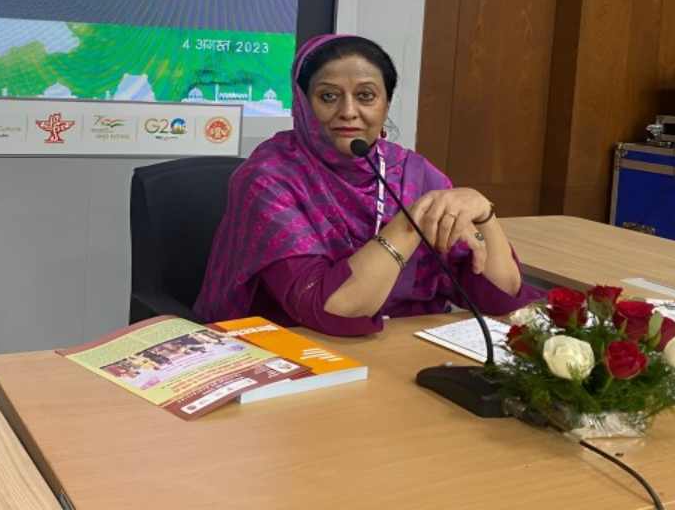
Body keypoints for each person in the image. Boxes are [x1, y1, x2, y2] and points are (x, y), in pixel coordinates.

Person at [194, 34, 541, 335]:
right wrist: (409, 225)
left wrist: (484, 215)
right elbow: (329, 307)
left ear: (386, 104)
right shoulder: (270, 177)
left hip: (406, 344)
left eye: (365, 96)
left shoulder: (412, 173)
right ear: (302, 103)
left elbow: (500, 297)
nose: (348, 111)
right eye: (328, 97)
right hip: (300, 350)